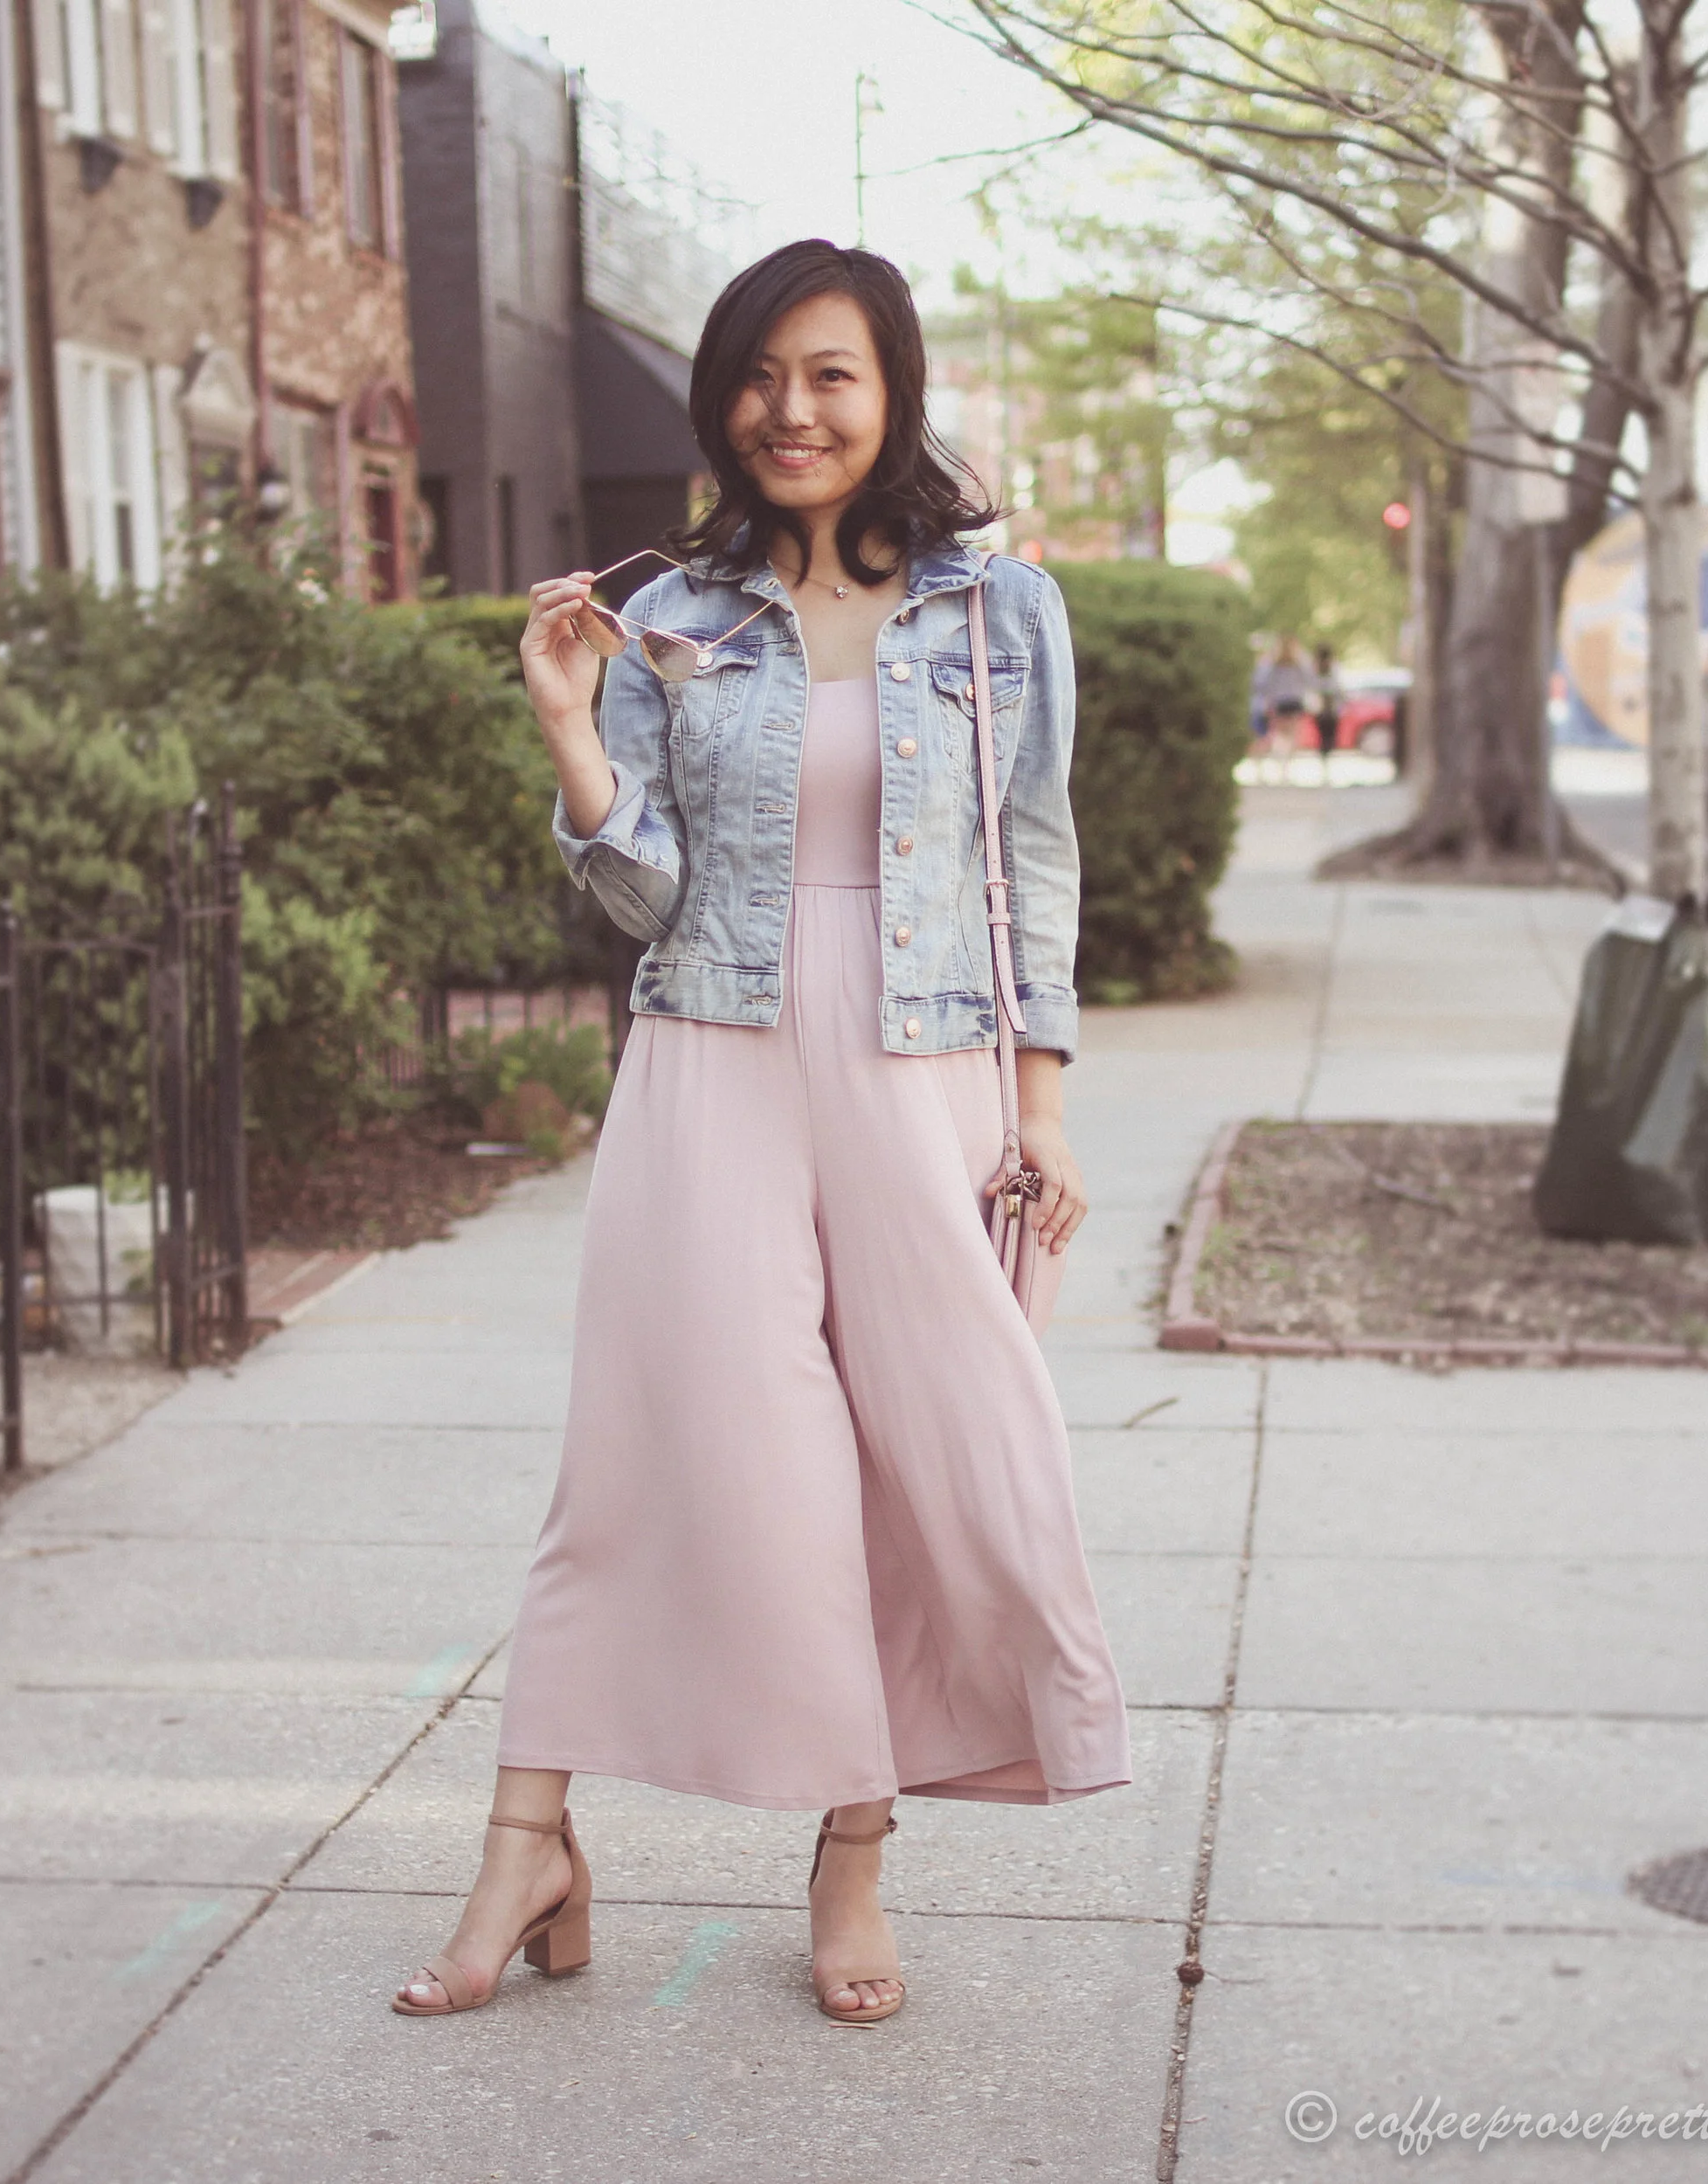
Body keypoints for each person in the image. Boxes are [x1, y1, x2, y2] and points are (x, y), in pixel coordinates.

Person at [394, 240, 1131, 2029]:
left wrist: (1040, 1102)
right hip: (710, 1054)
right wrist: (572, 729)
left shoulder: (991, 610)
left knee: (908, 1462)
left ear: (890, 397)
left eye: (829, 375)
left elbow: (1028, 860)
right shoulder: (673, 615)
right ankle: (525, 1833)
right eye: (757, 378)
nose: (789, 411)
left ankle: (853, 1844)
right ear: (720, 404)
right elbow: (641, 890)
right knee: (652, 1452)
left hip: (922, 1066)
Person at [1257, 634, 1310, 772]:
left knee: (1284, 733)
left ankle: (1283, 761)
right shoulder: (1287, 663)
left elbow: (1267, 684)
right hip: (1288, 701)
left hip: (1286, 701)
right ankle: (1284, 761)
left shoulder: (1282, 664)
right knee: (1288, 733)